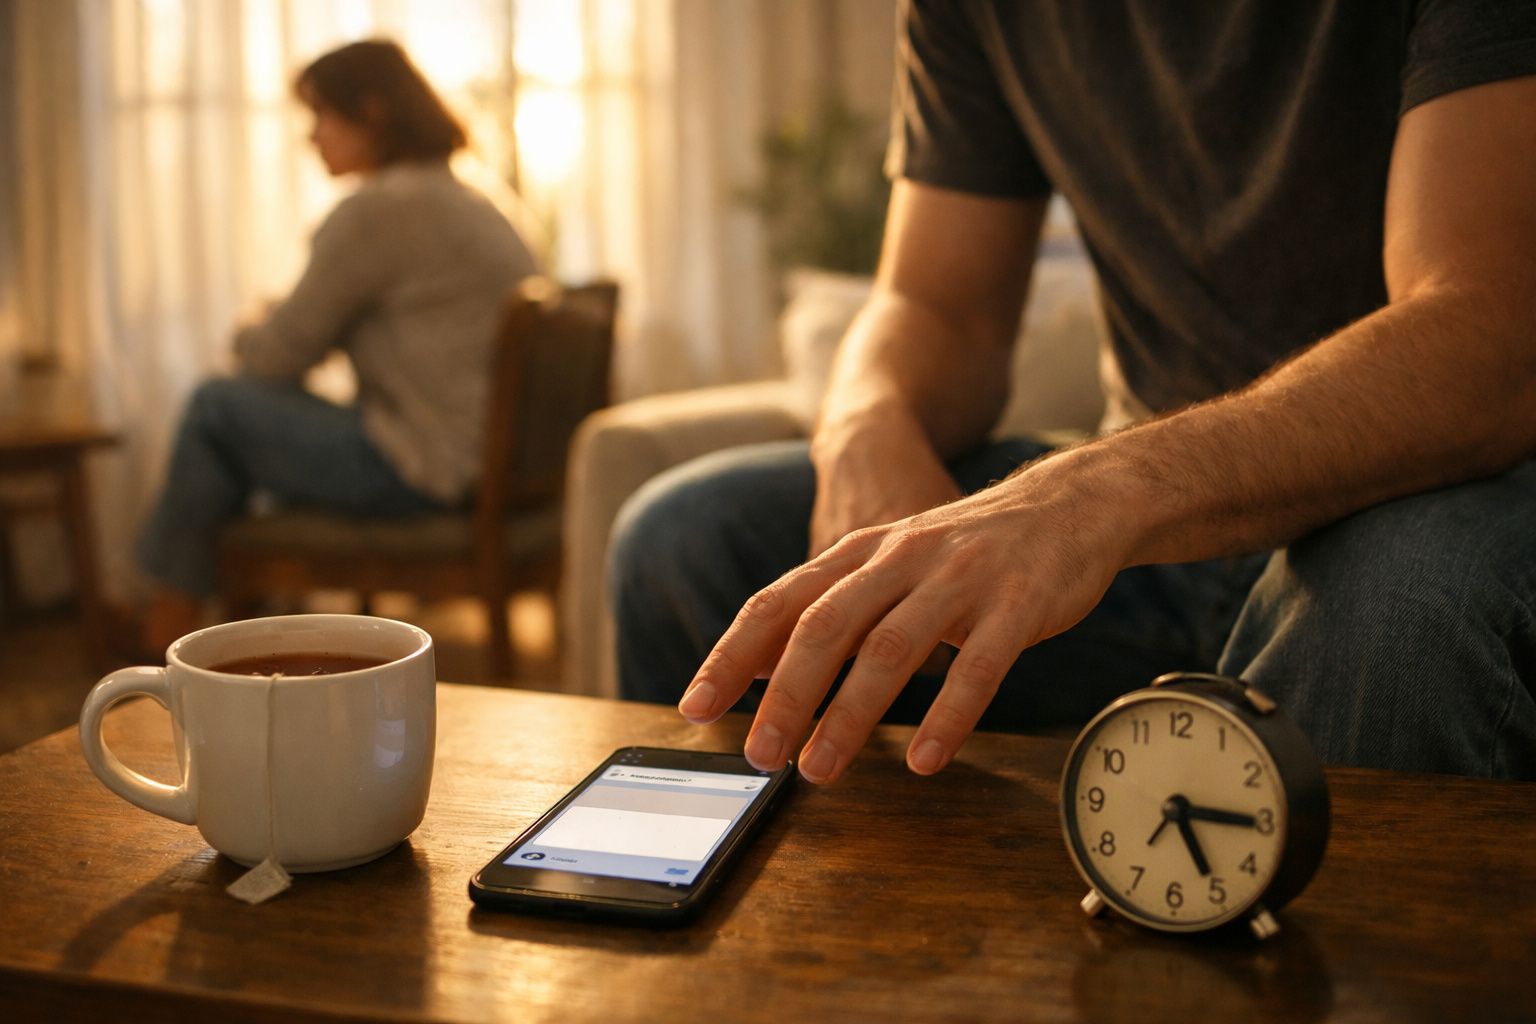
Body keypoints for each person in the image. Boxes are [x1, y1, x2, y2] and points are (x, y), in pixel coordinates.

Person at [611, 1, 1536, 782]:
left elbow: (1488, 334)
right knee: (688, 540)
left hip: (1437, 493)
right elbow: (935, 306)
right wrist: (863, 427)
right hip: (1150, 553)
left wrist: (1088, 494)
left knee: (1397, 607)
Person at [135, 39, 538, 651]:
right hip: (486, 461)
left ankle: (172, 635)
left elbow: (274, 358)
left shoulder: (379, 211)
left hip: (424, 467)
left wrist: (250, 323)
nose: (311, 136)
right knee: (228, 431)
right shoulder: (475, 198)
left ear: (372, 112)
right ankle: (218, 633)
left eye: (321, 115)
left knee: (217, 407)